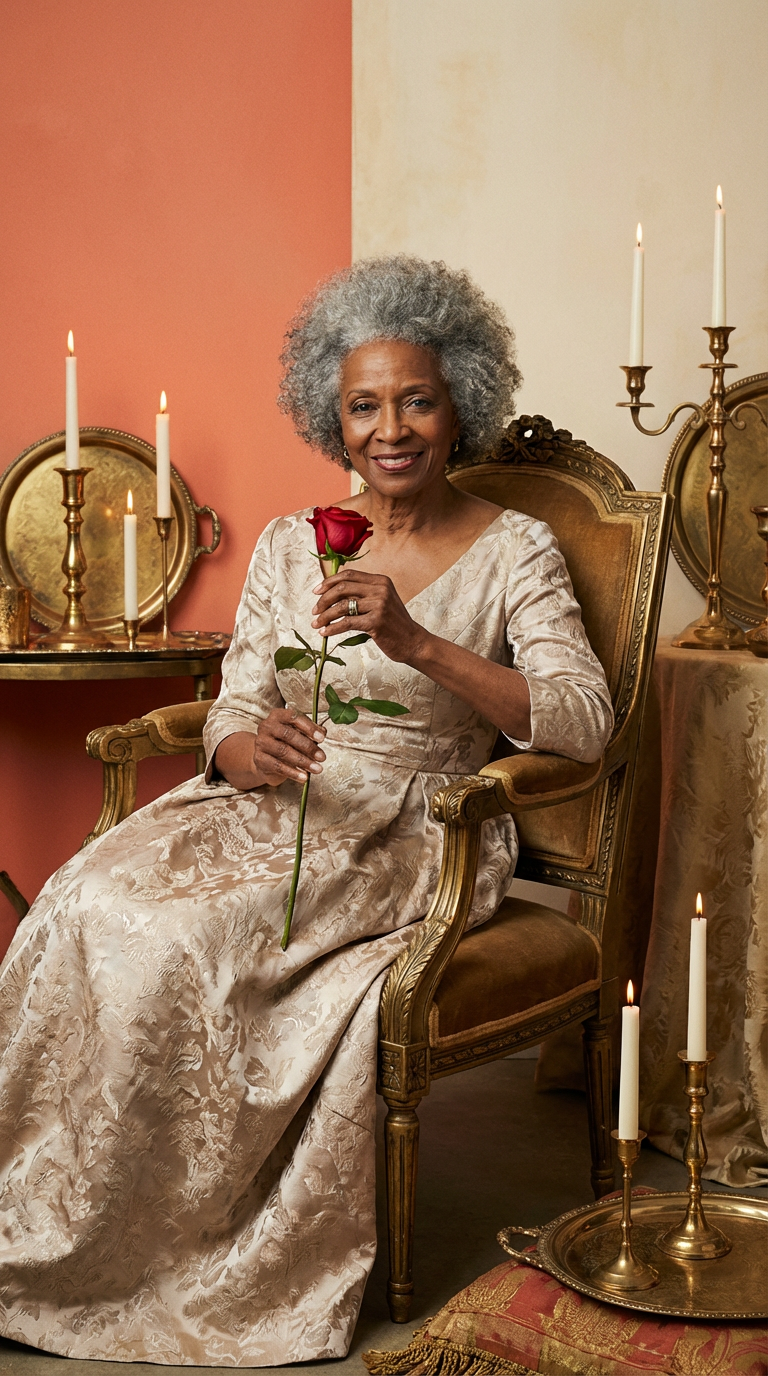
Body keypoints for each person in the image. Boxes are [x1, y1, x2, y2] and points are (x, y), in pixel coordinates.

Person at [0, 257, 612, 1366]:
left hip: (417, 825)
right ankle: (56, 1224)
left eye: (416, 399)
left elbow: (583, 720)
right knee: (84, 902)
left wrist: (417, 641)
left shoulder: (515, 549)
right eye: (364, 405)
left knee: (177, 939)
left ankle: (166, 1252)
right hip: (269, 804)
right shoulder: (292, 541)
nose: (392, 428)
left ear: (458, 400)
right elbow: (237, 702)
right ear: (330, 414)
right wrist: (244, 747)